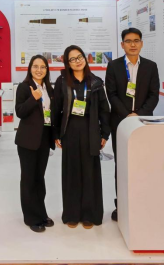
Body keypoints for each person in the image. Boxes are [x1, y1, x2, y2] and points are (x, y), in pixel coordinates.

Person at [52, 45, 110, 229]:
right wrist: (56, 133)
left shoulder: (96, 82)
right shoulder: (62, 81)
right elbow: (56, 109)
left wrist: (104, 133)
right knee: (72, 172)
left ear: (85, 58)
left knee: (90, 172)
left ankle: (89, 214)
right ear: (67, 63)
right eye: (72, 59)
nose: (77, 61)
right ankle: (72, 213)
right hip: (69, 130)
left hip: (90, 130)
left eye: (80, 57)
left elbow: (104, 110)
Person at [105, 27, 160, 222]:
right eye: (128, 41)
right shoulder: (114, 66)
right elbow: (111, 94)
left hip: (144, 123)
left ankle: (140, 203)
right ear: (122, 45)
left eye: (136, 40)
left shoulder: (151, 66)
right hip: (120, 122)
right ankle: (121, 205)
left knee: (141, 162)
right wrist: (127, 115)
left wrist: (138, 114)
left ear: (142, 43)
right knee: (121, 164)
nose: (133, 44)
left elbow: (154, 95)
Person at [15, 55, 56, 233]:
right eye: (35, 66)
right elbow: (20, 112)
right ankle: (31, 217)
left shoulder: (49, 88)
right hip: (28, 141)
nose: (39, 70)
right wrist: (33, 98)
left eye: (43, 67)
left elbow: (51, 113)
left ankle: (41, 213)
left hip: (44, 138)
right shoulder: (24, 87)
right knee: (29, 179)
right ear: (30, 68)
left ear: (47, 69)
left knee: (40, 178)